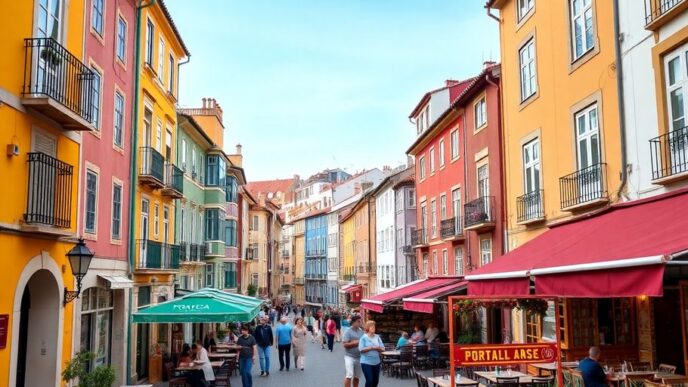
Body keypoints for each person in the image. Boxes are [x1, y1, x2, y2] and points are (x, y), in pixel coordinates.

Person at [358, 320, 384, 387]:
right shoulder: (363, 338)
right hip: (366, 362)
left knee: (376, 381)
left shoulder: (378, 337)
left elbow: (383, 348)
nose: (373, 328)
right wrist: (372, 347)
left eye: (374, 327)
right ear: (367, 328)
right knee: (369, 380)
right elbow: (361, 349)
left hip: (376, 362)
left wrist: (378, 348)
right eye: (371, 327)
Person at [343, 315, 364, 387]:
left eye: (360, 321)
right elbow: (345, 344)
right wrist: (355, 342)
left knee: (357, 377)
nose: (360, 323)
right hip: (349, 356)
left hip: (359, 357)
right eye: (358, 321)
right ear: (354, 322)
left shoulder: (361, 331)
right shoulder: (348, 331)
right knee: (349, 375)